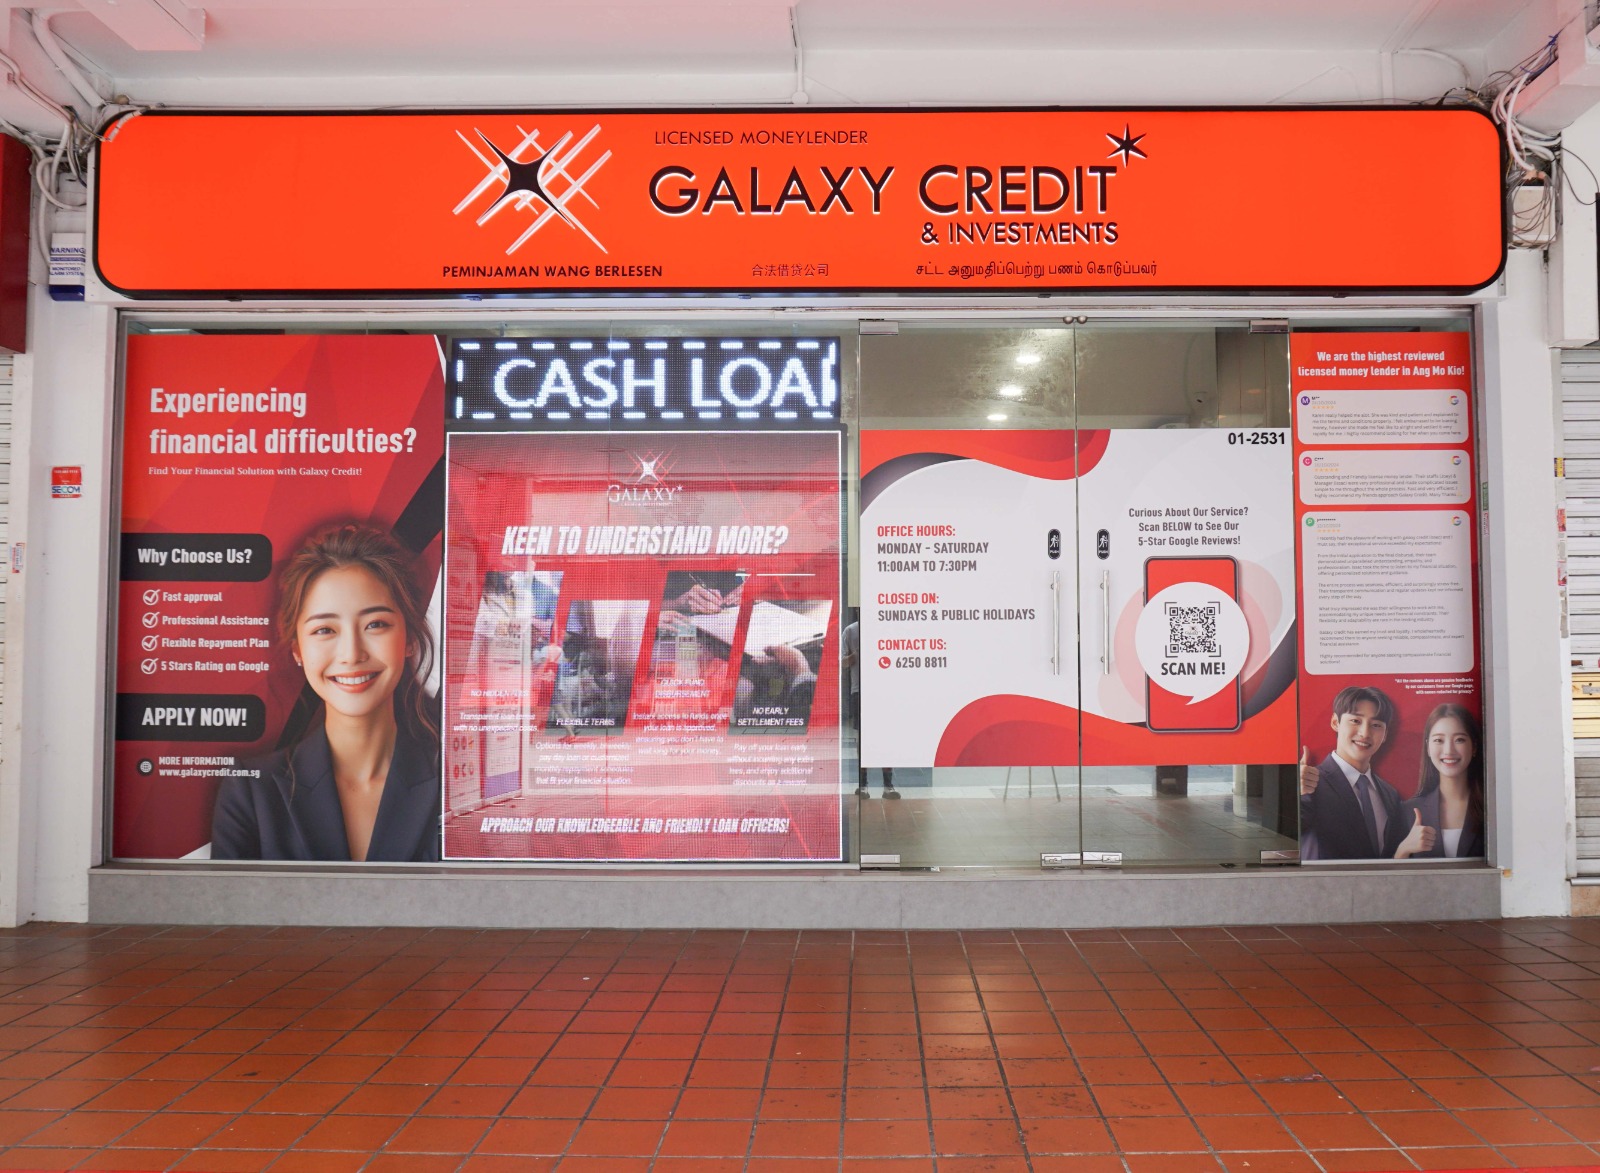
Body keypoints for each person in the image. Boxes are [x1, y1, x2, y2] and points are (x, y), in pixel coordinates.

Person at [212, 524, 441, 862]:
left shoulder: (456, 791)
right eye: (324, 630)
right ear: (297, 650)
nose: (351, 653)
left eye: (375, 624)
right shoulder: (251, 793)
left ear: (408, 638)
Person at [1298, 685, 1402, 860]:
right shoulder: (1309, 783)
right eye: (1356, 721)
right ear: (1335, 722)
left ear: (1384, 735)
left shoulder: (1390, 794)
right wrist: (1294, 795)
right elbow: (1286, 835)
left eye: (1376, 725)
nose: (1365, 733)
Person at [1394, 704, 1485, 859]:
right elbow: (1388, 880)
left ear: (1474, 747)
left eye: (1460, 740)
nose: (1449, 750)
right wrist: (1403, 849)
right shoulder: (1406, 812)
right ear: (1428, 747)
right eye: (1439, 740)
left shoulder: (1491, 808)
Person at [842, 616, 897, 799]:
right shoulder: (851, 630)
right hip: (860, 691)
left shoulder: (887, 629)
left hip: (884, 691)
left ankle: (888, 785)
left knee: (886, 737)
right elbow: (842, 662)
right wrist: (856, 655)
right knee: (864, 738)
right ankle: (863, 784)